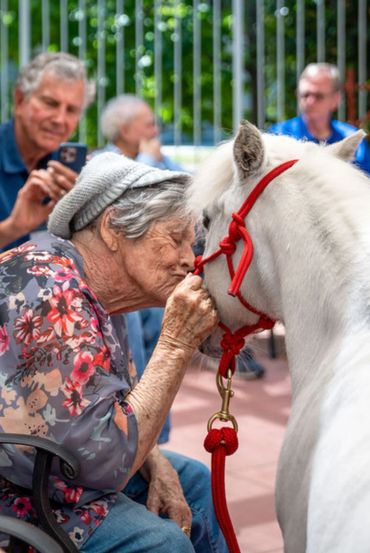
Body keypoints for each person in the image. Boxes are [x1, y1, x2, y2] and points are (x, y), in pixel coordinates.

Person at [0, 152, 228, 553]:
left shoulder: (98, 297)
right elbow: (103, 465)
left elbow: (116, 411)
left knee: (190, 480)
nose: (189, 261)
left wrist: (157, 464)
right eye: (175, 239)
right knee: (163, 543)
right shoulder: (51, 288)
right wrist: (176, 343)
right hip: (20, 492)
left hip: (56, 474)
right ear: (113, 228)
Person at [98, 95, 185, 440]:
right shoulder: (105, 162)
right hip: (120, 275)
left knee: (156, 330)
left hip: (153, 276)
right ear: (125, 129)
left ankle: (155, 436)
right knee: (132, 323)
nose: (156, 130)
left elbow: (187, 186)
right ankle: (143, 436)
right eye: (148, 123)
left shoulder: (157, 159)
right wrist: (151, 160)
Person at [0, 51, 95, 251]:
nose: (60, 120)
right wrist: (13, 228)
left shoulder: (67, 168)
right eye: (50, 104)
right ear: (19, 100)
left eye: (71, 110)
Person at [269, 62, 370, 175]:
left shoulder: (351, 138)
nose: (310, 102)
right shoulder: (279, 135)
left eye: (318, 96)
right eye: (305, 95)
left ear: (336, 99)